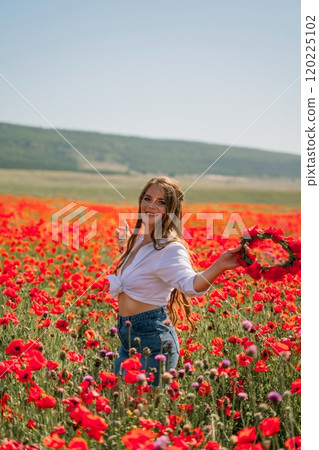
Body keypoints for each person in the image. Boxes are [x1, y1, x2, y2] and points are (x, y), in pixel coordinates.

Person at [105, 176, 245, 388]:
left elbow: (190, 286)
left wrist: (219, 266)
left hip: (153, 343)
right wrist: (123, 246)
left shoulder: (170, 248)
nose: (151, 205)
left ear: (172, 210)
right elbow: (142, 269)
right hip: (128, 340)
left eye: (161, 202)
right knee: (121, 410)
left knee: (140, 411)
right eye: (147, 198)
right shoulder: (141, 240)